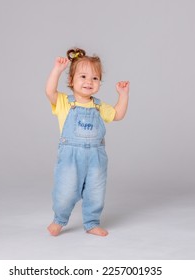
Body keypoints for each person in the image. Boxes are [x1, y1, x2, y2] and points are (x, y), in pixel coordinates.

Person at [45, 47, 129, 237]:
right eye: (83, 76)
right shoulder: (65, 102)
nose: (89, 82)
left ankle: (91, 223)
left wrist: (123, 95)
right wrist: (57, 70)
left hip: (96, 158)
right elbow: (49, 91)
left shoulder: (100, 106)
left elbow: (118, 114)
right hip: (70, 157)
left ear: (99, 82)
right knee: (65, 190)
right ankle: (59, 219)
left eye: (95, 78)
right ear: (71, 80)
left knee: (95, 192)